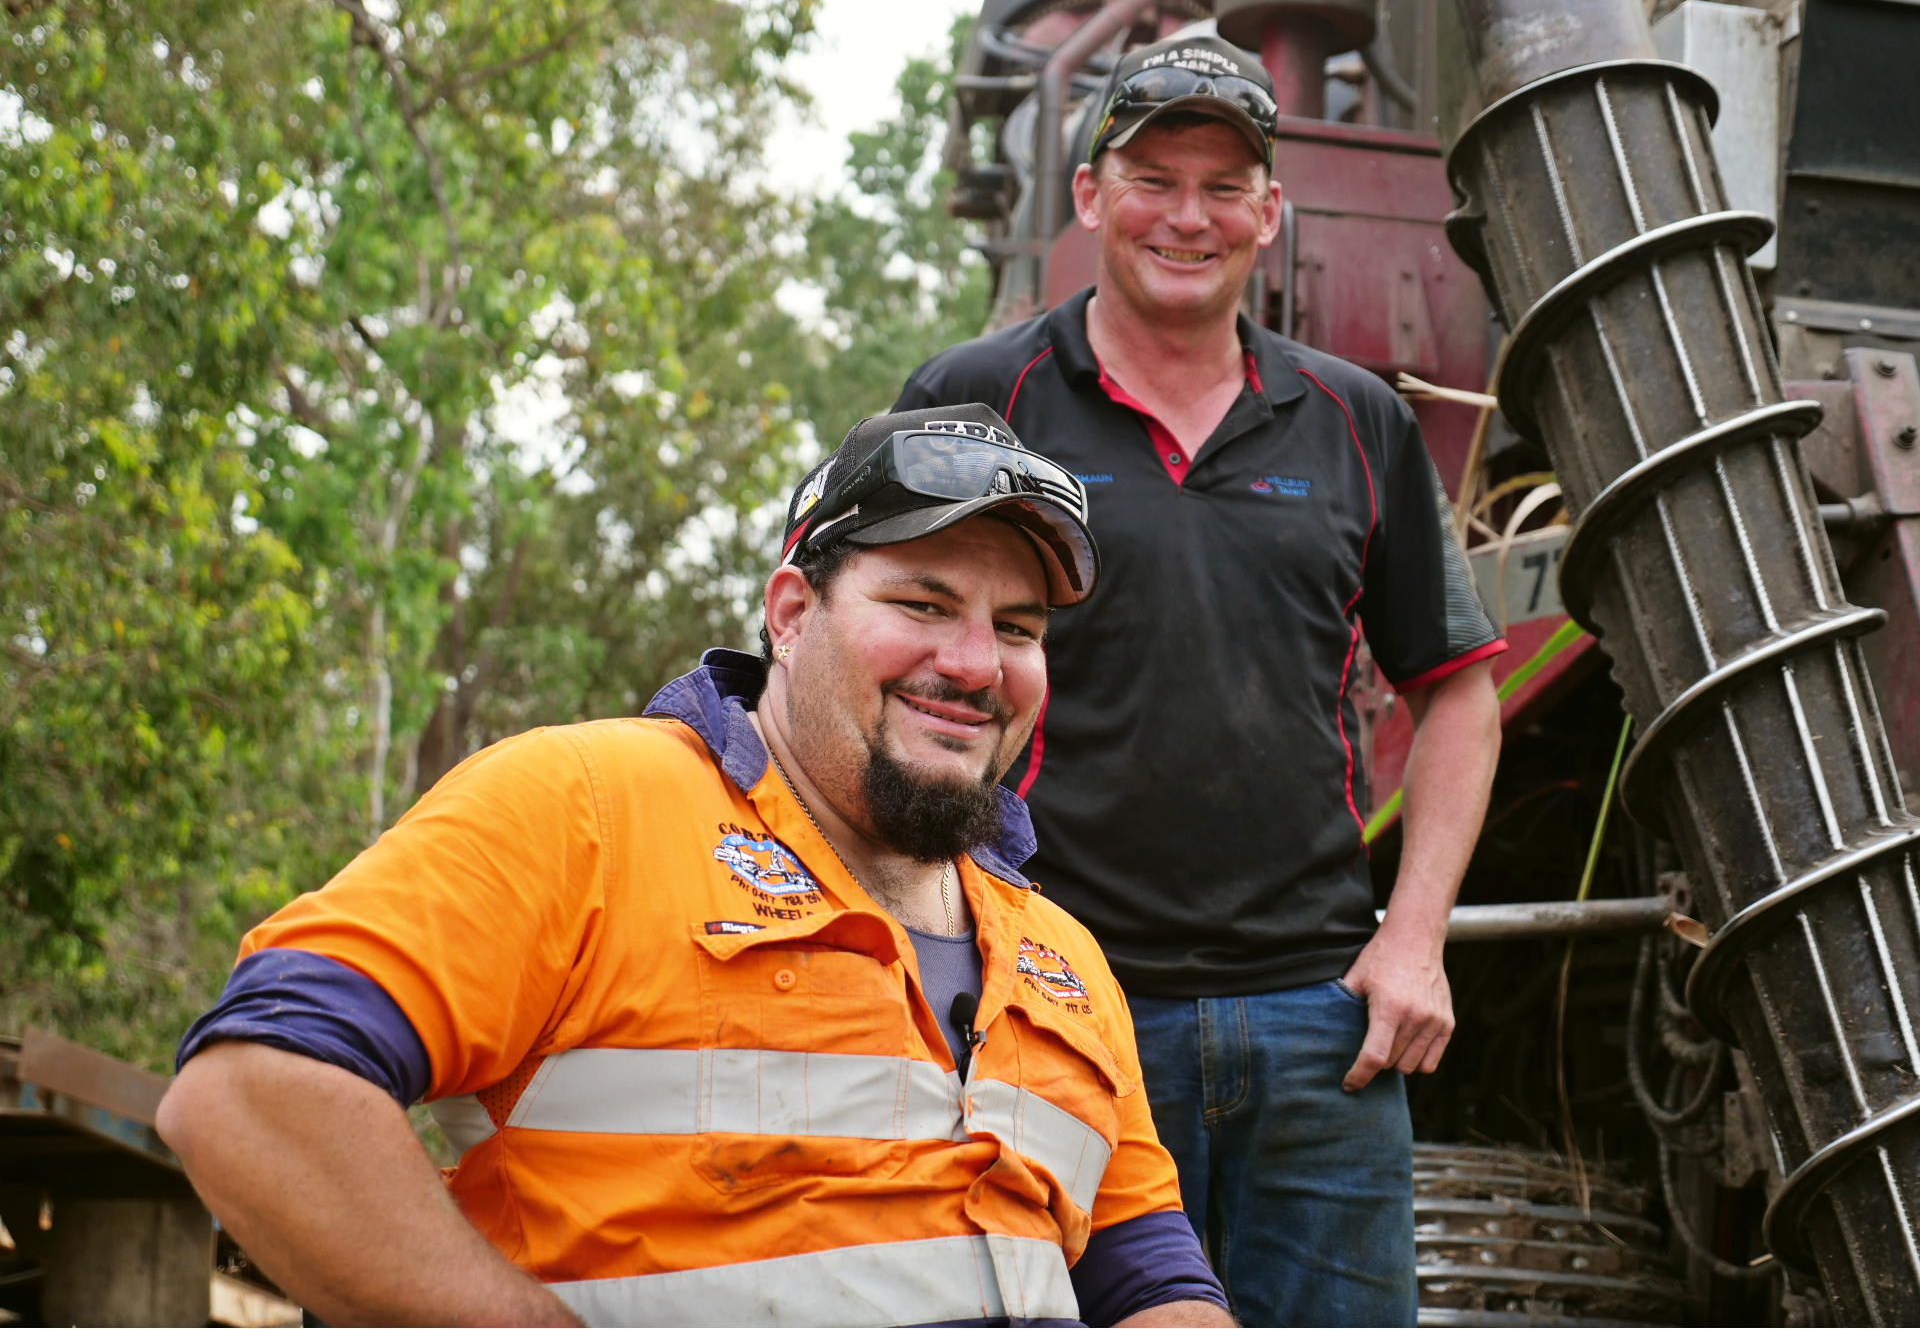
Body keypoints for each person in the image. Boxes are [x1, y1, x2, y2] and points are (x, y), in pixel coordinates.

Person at [156, 405, 1233, 1329]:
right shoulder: (587, 806)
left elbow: (1147, 1273)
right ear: (793, 614)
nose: (972, 664)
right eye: (922, 604)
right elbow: (253, 1097)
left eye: (1018, 626)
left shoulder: (1061, 956)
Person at [894, 36, 1506, 1327]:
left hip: (1319, 1032)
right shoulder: (978, 397)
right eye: (1154, 177)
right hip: (1057, 1001)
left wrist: (1416, 938)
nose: (1189, 215)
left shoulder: (1353, 420)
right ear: (1090, 196)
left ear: (1270, 214)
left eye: (1225, 185)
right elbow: (865, 649)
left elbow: (1456, 688)